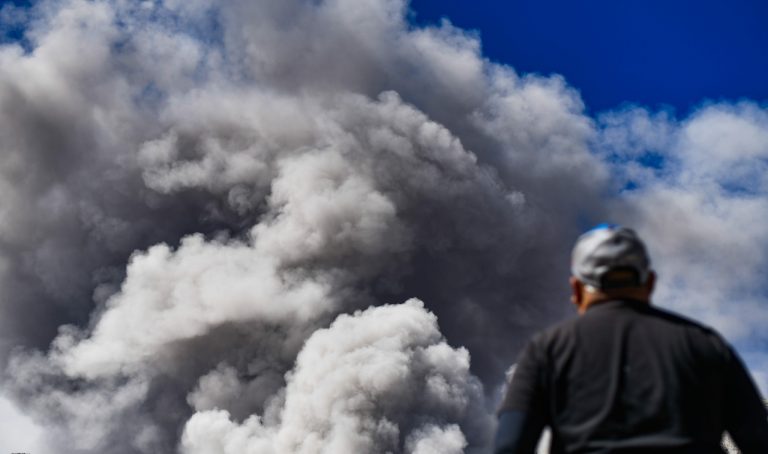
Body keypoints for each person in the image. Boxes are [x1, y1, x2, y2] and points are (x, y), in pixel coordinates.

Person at [495, 224, 768, 453]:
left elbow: (511, 445)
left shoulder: (548, 349)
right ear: (649, 282)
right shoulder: (706, 344)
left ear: (577, 288)